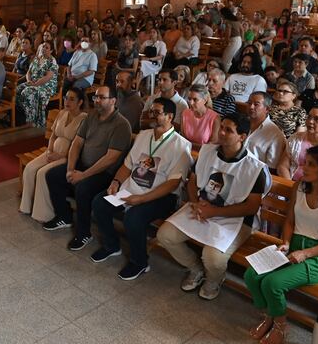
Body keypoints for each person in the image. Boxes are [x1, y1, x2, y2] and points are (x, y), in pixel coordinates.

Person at [244, 146, 318, 344]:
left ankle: (280, 326)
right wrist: (285, 243)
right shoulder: (300, 187)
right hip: (294, 247)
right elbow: (290, 221)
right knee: (251, 275)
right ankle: (270, 316)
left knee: (272, 283)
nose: (303, 167)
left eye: (311, 164)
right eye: (305, 162)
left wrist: (307, 253)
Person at [158, 113, 268, 300]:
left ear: (242, 137)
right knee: (165, 235)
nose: (222, 132)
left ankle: (214, 280)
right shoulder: (208, 151)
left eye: (228, 130)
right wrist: (195, 203)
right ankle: (195, 269)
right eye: (221, 127)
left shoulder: (254, 168)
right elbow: (192, 180)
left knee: (213, 257)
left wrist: (214, 212)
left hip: (236, 219)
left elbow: (251, 207)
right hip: (201, 207)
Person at [91, 98, 193, 280]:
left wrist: (141, 200)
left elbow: (173, 183)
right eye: (150, 111)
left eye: (157, 112)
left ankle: (140, 262)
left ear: (169, 116)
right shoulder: (144, 135)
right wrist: (115, 182)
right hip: (133, 188)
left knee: (133, 217)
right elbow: (128, 165)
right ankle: (111, 246)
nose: (151, 115)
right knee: (100, 203)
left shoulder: (181, 145)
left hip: (161, 196)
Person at [43, 86, 132, 251]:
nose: (97, 100)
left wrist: (83, 175)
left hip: (105, 173)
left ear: (113, 101)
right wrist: (70, 169)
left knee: (83, 188)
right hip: (83, 166)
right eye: (95, 97)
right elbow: (77, 143)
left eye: (102, 98)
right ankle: (64, 216)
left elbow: (110, 158)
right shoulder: (91, 117)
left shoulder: (121, 125)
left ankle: (84, 233)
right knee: (53, 175)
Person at [20, 88, 87, 222]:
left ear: (80, 102)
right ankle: (27, 206)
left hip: (66, 157)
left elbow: (80, 146)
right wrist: (49, 151)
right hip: (52, 152)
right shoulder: (62, 113)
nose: (67, 101)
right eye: (66, 98)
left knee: (42, 173)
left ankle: (44, 213)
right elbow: (53, 135)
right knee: (30, 168)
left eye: (72, 99)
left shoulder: (84, 119)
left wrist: (61, 157)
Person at [16, 41, 58, 128]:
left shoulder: (52, 61)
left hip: (46, 85)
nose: (44, 49)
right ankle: (22, 117)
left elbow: (48, 77)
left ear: (51, 51)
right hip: (33, 83)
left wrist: (35, 84)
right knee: (17, 89)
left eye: (47, 48)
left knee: (27, 92)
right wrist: (29, 80)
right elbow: (28, 72)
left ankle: (32, 120)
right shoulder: (37, 58)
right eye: (43, 46)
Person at [244, 92, 287, 171]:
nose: (251, 107)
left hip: (254, 173)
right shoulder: (241, 123)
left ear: (267, 109)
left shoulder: (275, 134)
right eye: (249, 103)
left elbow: (271, 168)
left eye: (256, 104)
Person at [221, 7, 243, 72]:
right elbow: (242, 30)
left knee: (226, 60)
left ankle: (226, 75)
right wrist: (242, 39)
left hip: (234, 40)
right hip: (238, 40)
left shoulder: (228, 21)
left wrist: (225, 42)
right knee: (229, 59)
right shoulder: (236, 20)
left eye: (221, 14)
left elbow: (228, 34)